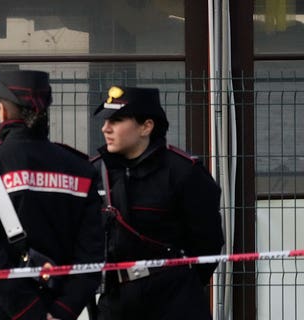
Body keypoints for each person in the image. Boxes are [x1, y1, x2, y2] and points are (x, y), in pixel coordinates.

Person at [0, 70, 104, 320]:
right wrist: (62, 310)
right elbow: (90, 258)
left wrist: (30, 313)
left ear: (3, 111)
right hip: (55, 300)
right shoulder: (81, 168)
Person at [90, 86, 224, 319]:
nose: (105, 128)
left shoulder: (184, 172)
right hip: (117, 301)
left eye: (117, 120)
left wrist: (177, 283)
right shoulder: (97, 171)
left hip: (174, 301)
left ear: (146, 127)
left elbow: (208, 243)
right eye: (105, 121)